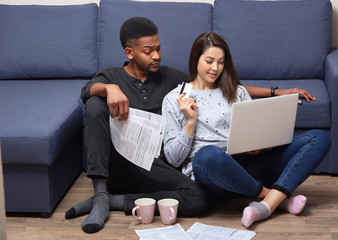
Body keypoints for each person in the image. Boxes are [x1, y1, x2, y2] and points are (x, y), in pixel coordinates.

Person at [65, 17, 317, 233]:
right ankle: (100, 195)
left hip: (158, 162)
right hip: (124, 159)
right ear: (130, 53)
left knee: (198, 199)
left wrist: (275, 92)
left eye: (159, 48)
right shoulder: (111, 76)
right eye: (148, 50)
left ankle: (116, 201)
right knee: (95, 104)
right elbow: (86, 91)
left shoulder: (169, 75)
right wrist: (108, 88)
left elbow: (212, 83)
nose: (157, 55)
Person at [162, 32, 331, 229]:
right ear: (195, 59)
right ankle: (274, 197)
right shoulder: (174, 99)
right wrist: (190, 122)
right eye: (209, 61)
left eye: (221, 62)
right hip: (214, 174)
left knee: (319, 138)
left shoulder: (237, 91)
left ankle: (266, 204)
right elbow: (173, 159)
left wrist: (260, 144)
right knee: (207, 155)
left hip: (249, 165)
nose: (215, 68)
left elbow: (254, 130)